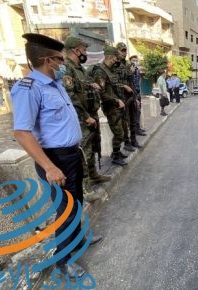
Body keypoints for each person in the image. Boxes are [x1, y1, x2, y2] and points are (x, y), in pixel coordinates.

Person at [11, 33, 102, 279]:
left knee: (77, 204)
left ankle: (78, 238)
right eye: (60, 60)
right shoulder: (28, 88)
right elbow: (22, 131)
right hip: (54, 159)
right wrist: (49, 167)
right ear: (48, 60)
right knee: (65, 211)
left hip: (71, 154)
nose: (63, 64)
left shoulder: (56, 83)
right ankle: (64, 261)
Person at [62, 36, 111, 200]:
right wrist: (85, 117)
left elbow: (86, 84)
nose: (85, 53)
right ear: (76, 50)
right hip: (82, 119)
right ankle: (85, 187)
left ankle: (94, 175)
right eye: (84, 50)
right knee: (84, 151)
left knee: (94, 146)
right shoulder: (67, 69)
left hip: (91, 114)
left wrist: (93, 85)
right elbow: (71, 97)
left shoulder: (80, 69)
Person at [88, 46, 129, 166]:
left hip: (117, 106)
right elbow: (101, 92)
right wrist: (116, 101)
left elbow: (115, 87)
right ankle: (115, 156)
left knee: (122, 131)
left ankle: (117, 152)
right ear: (110, 57)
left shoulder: (110, 70)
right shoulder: (101, 71)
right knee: (119, 133)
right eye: (116, 58)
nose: (117, 60)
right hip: (111, 107)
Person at [115, 42, 141, 150]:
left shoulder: (128, 65)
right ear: (117, 51)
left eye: (125, 50)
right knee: (125, 121)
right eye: (122, 50)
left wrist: (135, 98)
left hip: (131, 97)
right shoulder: (115, 65)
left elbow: (133, 83)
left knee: (133, 119)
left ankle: (134, 139)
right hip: (122, 98)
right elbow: (113, 82)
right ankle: (127, 142)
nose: (124, 53)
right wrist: (124, 86)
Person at [129, 55, 146, 136]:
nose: (135, 62)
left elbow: (138, 83)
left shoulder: (137, 70)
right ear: (130, 61)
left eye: (136, 60)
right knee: (134, 112)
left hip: (138, 94)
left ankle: (138, 128)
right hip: (132, 95)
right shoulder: (129, 70)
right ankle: (135, 129)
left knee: (138, 111)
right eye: (133, 60)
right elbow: (130, 83)